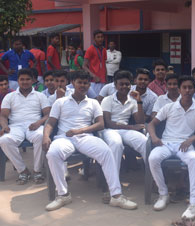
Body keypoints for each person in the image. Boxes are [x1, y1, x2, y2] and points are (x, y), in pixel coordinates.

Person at [43, 70, 137, 211]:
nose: (83, 85)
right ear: (73, 83)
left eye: (86, 83)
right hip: (64, 137)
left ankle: (116, 195)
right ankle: (63, 194)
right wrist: (45, 137)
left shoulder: (93, 103)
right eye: (80, 82)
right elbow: (50, 122)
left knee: (106, 152)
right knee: (52, 153)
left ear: (89, 85)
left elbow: (100, 124)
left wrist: (80, 130)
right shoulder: (60, 102)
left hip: (86, 137)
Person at [148, 75, 195, 220]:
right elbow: (151, 124)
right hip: (166, 143)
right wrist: (155, 138)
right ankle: (163, 194)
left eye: (190, 87)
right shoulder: (169, 107)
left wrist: (191, 139)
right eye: (184, 87)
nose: (187, 90)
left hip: (185, 145)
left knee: (194, 160)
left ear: (194, 90)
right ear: (179, 89)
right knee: (153, 157)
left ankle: (193, 203)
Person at [0, 69, 50, 184]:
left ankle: (37, 170)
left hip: (34, 125)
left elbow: (48, 114)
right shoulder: (10, 96)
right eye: (22, 79)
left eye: (28, 79)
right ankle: (23, 171)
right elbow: (3, 116)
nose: (25, 82)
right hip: (15, 126)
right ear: (17, 80)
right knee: (4, 140)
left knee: (41, 136)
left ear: (33, 80)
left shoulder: (40, 96)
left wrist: (39, 122)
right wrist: (4, 126)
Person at [100, 70, 147, 173]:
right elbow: (108, 123)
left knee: (144, 142)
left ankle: (152, 177)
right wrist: (132, 127)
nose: (124, 87)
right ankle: (113, 178)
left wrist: (139, 101)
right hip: (110, 131)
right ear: (115, 85)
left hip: (125, 131)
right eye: (121, 84)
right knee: (116, 143)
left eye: (127, 84)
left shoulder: (133, 101)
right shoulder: (107, 100)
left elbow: (140, 121)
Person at [83, 30, 107, 95]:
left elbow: (104, 64)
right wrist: (94, 76)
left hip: (103, 80)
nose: (100, 39)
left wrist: (106, 77)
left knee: (102, 100)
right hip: (94, 81)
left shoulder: (104, 50)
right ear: (94, 38)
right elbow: (84, 66)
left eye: (102, 37)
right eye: (98, 37)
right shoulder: (90, 49)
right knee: (95, 100)